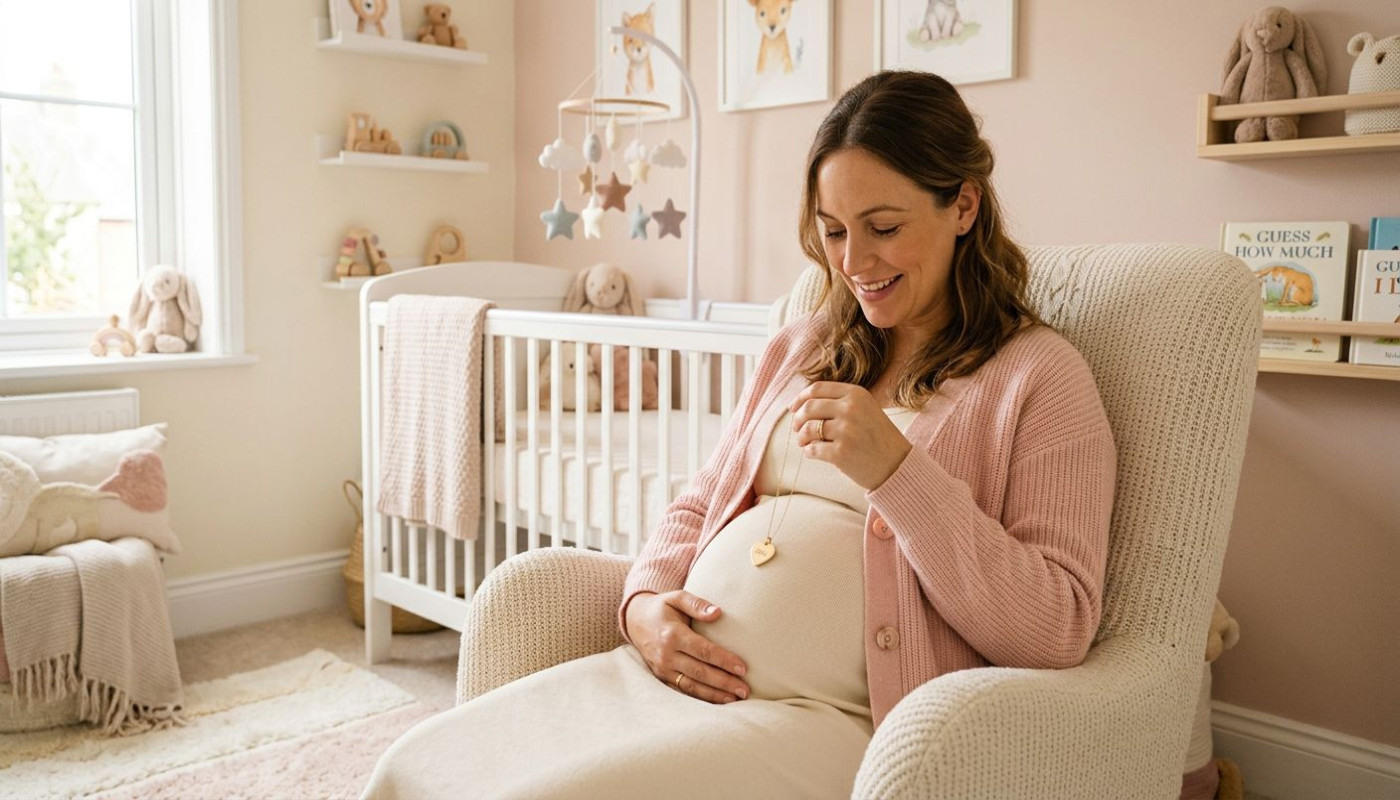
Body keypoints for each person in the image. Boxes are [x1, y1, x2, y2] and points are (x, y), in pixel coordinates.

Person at [362, 70, 1115, 799]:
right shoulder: (804, 344)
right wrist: (646, 605)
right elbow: (700, 501)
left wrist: (898, 472)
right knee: (417, 769)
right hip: (669, 680)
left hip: (830, 721)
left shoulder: (1039, 379)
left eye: (884, 228)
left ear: (964, 206)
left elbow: (1057, 626)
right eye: (833, 232)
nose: (853, 262)